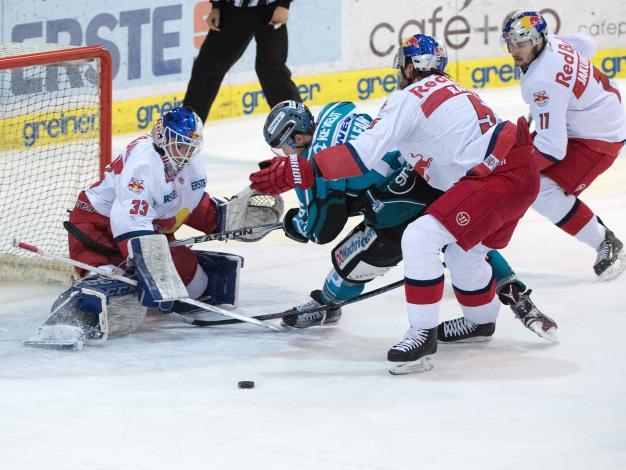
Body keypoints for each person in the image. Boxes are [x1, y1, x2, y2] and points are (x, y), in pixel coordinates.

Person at [250, 34, 541, 374]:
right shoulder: (455, 91)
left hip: (479, 182)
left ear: (410, 66)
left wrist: (302, 177)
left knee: (413, 238)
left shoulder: (405, 99)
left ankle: (417, 334)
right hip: (520, 169)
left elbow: (327, 217)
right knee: (464, 246)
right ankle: (483, 318)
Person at [263, 100, 557, 342]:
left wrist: (293, 224)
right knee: (465, 239)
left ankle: (328, 303)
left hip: (392, 205)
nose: (284, 153)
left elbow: (322, 227)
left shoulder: (310, 167)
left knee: (348, 259)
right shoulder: (337, 110)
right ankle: (518, 296)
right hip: (425, 171)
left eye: (283, 146)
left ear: (297, 138)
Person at [25, 107, 282, 349]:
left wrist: (222, 219)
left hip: (151, 229)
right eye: (180, 144)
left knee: (198, 286)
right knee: (111, 291)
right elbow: (130, 223)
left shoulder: (190, 163)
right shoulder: (143, 166)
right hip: (99, 228)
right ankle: (71, 315)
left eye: (190, 146)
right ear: (162, 137)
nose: (185, 152)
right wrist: (151, 271)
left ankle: (132, 279)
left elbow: (188, 203)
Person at [502, 11, 626, 280]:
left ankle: (604, 240)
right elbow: (586, 44)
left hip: (599, 138)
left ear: (538, 40)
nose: (514, 51)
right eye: (510, 43)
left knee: (539, 189)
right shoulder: (554, 42)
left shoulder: (543, 80)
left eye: (520, 43)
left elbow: (552, 149)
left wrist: (513, 174)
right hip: (596, 114)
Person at [183, 0, 301, 122]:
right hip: (232, 10)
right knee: (207, 67)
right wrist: (216, 6)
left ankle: (299, 128)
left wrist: (284, 4)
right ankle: (187, 130)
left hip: (271, 9)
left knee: (271, 68)